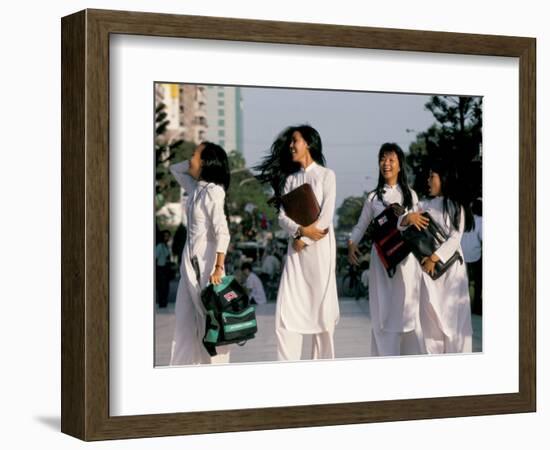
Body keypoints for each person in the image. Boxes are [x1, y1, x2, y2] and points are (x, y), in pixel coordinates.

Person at [255, 125, 339, 361]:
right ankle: (288, 366)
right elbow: (282, 217)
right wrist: (299, 232)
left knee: (322, 314)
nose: (291, 145)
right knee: (285, 311)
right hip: (296, 252)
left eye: (296, 141)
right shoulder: (290, 180)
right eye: (291, 142)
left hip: (320, 251)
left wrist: (304, 238)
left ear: (309, 143)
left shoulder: (326, 175)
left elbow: (326, 218)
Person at [347, 143, 423, 356]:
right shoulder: (373, 197)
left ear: (400, 165)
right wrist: (352, 243)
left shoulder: (411, 196)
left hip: (406, 260)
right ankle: (385, 357)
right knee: (383, 311)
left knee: (406, 309)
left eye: (391, 160)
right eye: (383, 159)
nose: (386, 163)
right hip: (381, 260)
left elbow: (418, 228)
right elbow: (361, 225)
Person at [399, 159, 474, 354]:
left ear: (444, 178)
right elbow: (401, 225)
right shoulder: (422, 204)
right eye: (428, 176)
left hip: (450, 272)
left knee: (454, 322)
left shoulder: (455, 206)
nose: (428, 180)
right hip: (428, 274)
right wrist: (408, 218)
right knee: (430, 323)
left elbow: (455, 237)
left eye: (433, 176)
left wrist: (434, 258)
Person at [168, 142, 232, 365]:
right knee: (184, 322)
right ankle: (183, 372)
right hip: (189, 266)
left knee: (211, 324)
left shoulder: (213, 192)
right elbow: (174, 169)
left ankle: (215, 375)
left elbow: (223, 232)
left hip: (207, 267)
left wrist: (218, 267)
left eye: (194, 154)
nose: (190, 158)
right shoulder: (196, 188)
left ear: (205, 162)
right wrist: (193, 164)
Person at [461, 198, 482, 315]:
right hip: (475, 256)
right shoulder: (481, 221)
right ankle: (476, 306)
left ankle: (464, 306)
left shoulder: (464, 218)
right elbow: (482, 238)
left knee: (464, 281)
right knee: (478, 282)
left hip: (463, 254)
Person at [155, 230, 172, 308]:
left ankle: (164, 302)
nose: (167, 237)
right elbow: (155, 257)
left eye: (168, 236)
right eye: (165, 236)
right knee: (161, 287)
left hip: (166, 269)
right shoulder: (159, 246)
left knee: (166, 287)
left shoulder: (167, 246)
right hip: (160, 268)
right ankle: (161, 303)